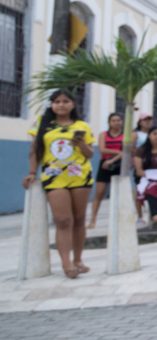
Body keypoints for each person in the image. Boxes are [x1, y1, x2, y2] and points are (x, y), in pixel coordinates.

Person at [23, 89, 96, 278]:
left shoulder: (82, 126)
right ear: (52, 105)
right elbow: (35, 150)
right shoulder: (41, 124)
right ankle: (66, 264)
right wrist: (32, 172)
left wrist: (80, 143)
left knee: (79, 219)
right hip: (53, 177)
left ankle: (78, 260)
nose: (61, 105)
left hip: (80, 176)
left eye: (65, 101)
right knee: (63, 220)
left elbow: (90, 153)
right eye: (57, 101)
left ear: (73, 104)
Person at [87, 112, 125, 229]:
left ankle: (120, 220)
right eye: (113, 120)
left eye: (118, 120)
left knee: (120, 194)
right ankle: (93, 219)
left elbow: (125, 152)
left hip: (119, 165)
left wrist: (113, 159)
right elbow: (102, 149)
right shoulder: (103, 135)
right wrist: (117, 153)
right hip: (104, 165)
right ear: (109, 122)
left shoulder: (125, 135)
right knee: (99, 193)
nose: (116, 122)